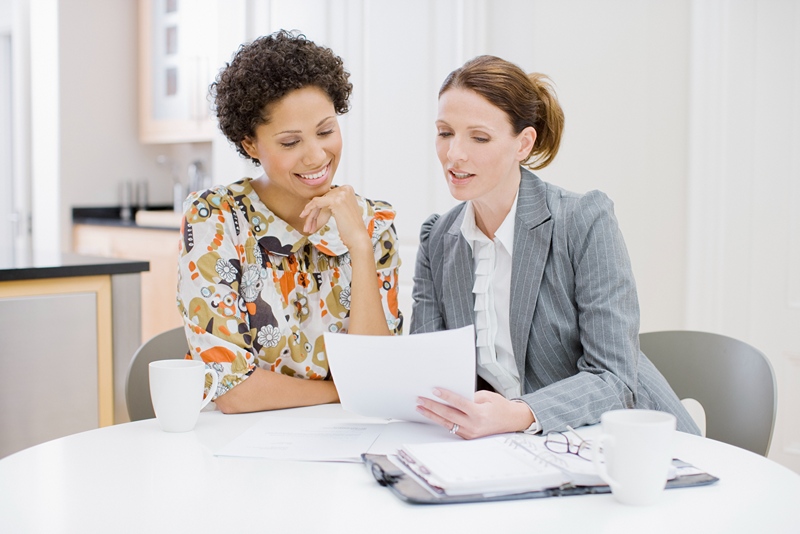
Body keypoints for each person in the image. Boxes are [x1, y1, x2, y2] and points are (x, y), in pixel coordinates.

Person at [412, 55, 700, 438]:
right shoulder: (437, 239)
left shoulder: (583, 220)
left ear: (523, 143)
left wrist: (517, 414)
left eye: (478, 137)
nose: (454, 154)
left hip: (628, 443)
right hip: (522, 450)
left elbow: (613, 378)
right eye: (445, 133)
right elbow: (429, 373)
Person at [177, 30, 402, 414]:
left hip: (349, 441)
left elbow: (380, 374)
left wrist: (360, 248)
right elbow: (232, 391)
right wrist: (343, 390)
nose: (316, 156)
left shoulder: (373, 223)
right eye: (290, 142)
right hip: (243, 448)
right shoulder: (215, 219)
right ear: (251, 144)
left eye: (326, 131)